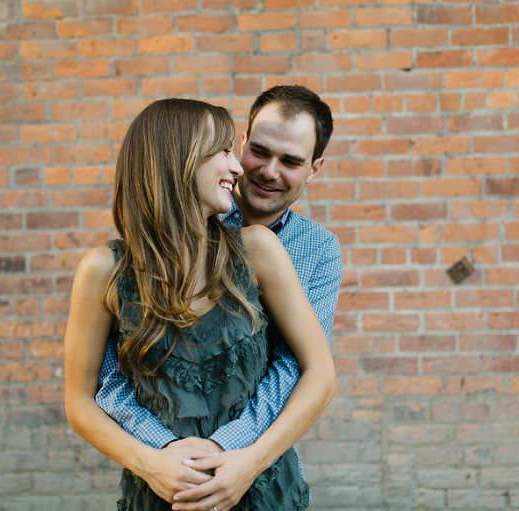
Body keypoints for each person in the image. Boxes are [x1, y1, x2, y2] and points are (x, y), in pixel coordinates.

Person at [64, 98, 336, 511]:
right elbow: (85, 397)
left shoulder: (263, 249)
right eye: (227, 151)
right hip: (162, 489)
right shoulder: (104, 271)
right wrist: (155, 459)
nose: (239, 168)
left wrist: (240, 457)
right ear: (178, 161)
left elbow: (312, 371)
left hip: (256, 484)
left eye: (291, 160)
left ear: (314, 168)